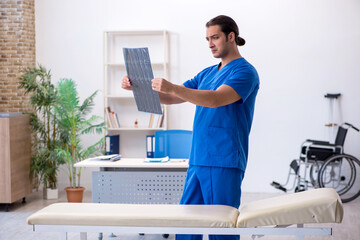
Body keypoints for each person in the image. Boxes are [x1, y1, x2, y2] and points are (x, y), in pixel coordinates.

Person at [122, 15, 259, 240]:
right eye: (207, 39)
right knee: (186, 226)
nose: (210, 44)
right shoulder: (207, 73)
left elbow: (215, 99)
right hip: (198, 159)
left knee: (220, 230)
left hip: (223, 160)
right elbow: (172, 97)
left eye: (215, 37)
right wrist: (137, 88)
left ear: (231, 36)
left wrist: (173, 87)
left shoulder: (244, 72)